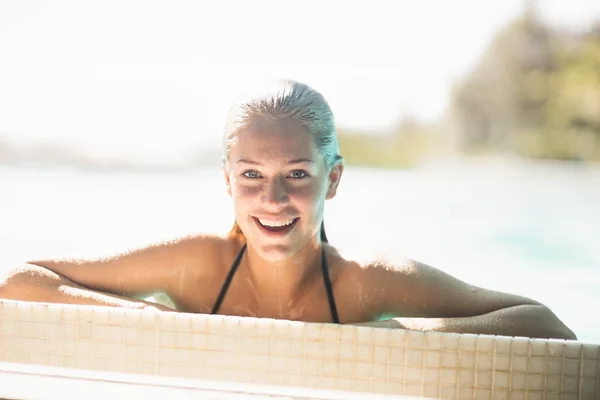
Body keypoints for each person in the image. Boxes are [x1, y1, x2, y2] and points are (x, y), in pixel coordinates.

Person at [0, 79, 576, 340]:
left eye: (297, 175)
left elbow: (546, 325)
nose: (273, 200)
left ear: (335, 180)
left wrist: (400, 331)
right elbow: (20, 280)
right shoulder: (197, 266)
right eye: (251, 176)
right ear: (227, 181)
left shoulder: (362, 285)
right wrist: (155, 321)